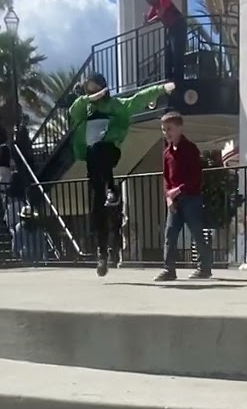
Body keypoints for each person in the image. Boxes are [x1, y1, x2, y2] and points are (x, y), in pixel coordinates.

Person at [68, 72, 174, 276]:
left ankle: (111, 188)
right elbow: (74, 111)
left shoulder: (116, 105)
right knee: (96, 206)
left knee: (99, 149)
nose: (93, 94)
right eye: (89, 90)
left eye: (96, 89)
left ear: (104, 88)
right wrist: (88, 99)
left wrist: (162, 89)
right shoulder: (86, 108)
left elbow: (139, 98)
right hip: (93, 158)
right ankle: (102, 255)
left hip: (110, 151)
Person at [156, 111, 213, 281]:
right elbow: (166, 178)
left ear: (179, 128)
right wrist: (168, 197)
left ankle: (204, 268)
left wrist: (178, 190)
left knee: (196, 232)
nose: (167, 133)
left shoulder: (190, 149)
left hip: (191, 198)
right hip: (174, 200)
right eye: (164, 130)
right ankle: (169, 269)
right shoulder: (166, 153)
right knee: (170, 233)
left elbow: (195, 178)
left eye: (170, 129)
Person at [144, 0, 187, 82]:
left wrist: (149, 21)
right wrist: (147, 20)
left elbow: (160, 14)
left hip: (179, 25)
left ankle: (178, 79)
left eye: (150, 1)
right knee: (168, 53)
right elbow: (150, 17)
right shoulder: (155, 6)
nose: (150, 4)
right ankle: (169, 77)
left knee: (177, 53)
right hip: (171, 28)